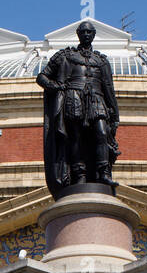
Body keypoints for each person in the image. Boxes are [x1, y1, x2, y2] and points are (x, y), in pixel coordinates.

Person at [37, 21, 120, 197]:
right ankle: (79, 174)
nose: (87, 35)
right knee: (75, 137)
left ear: (94, 34)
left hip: (97, 99)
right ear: (78, 34)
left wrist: (115, 113)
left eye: (90, 32)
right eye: (83, 32)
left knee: (101, 133)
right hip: (73, 97)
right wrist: (56, 86)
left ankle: (103, 173)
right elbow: (42, 77)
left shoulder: (102, 60)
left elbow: (109, 88)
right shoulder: (65, 56)